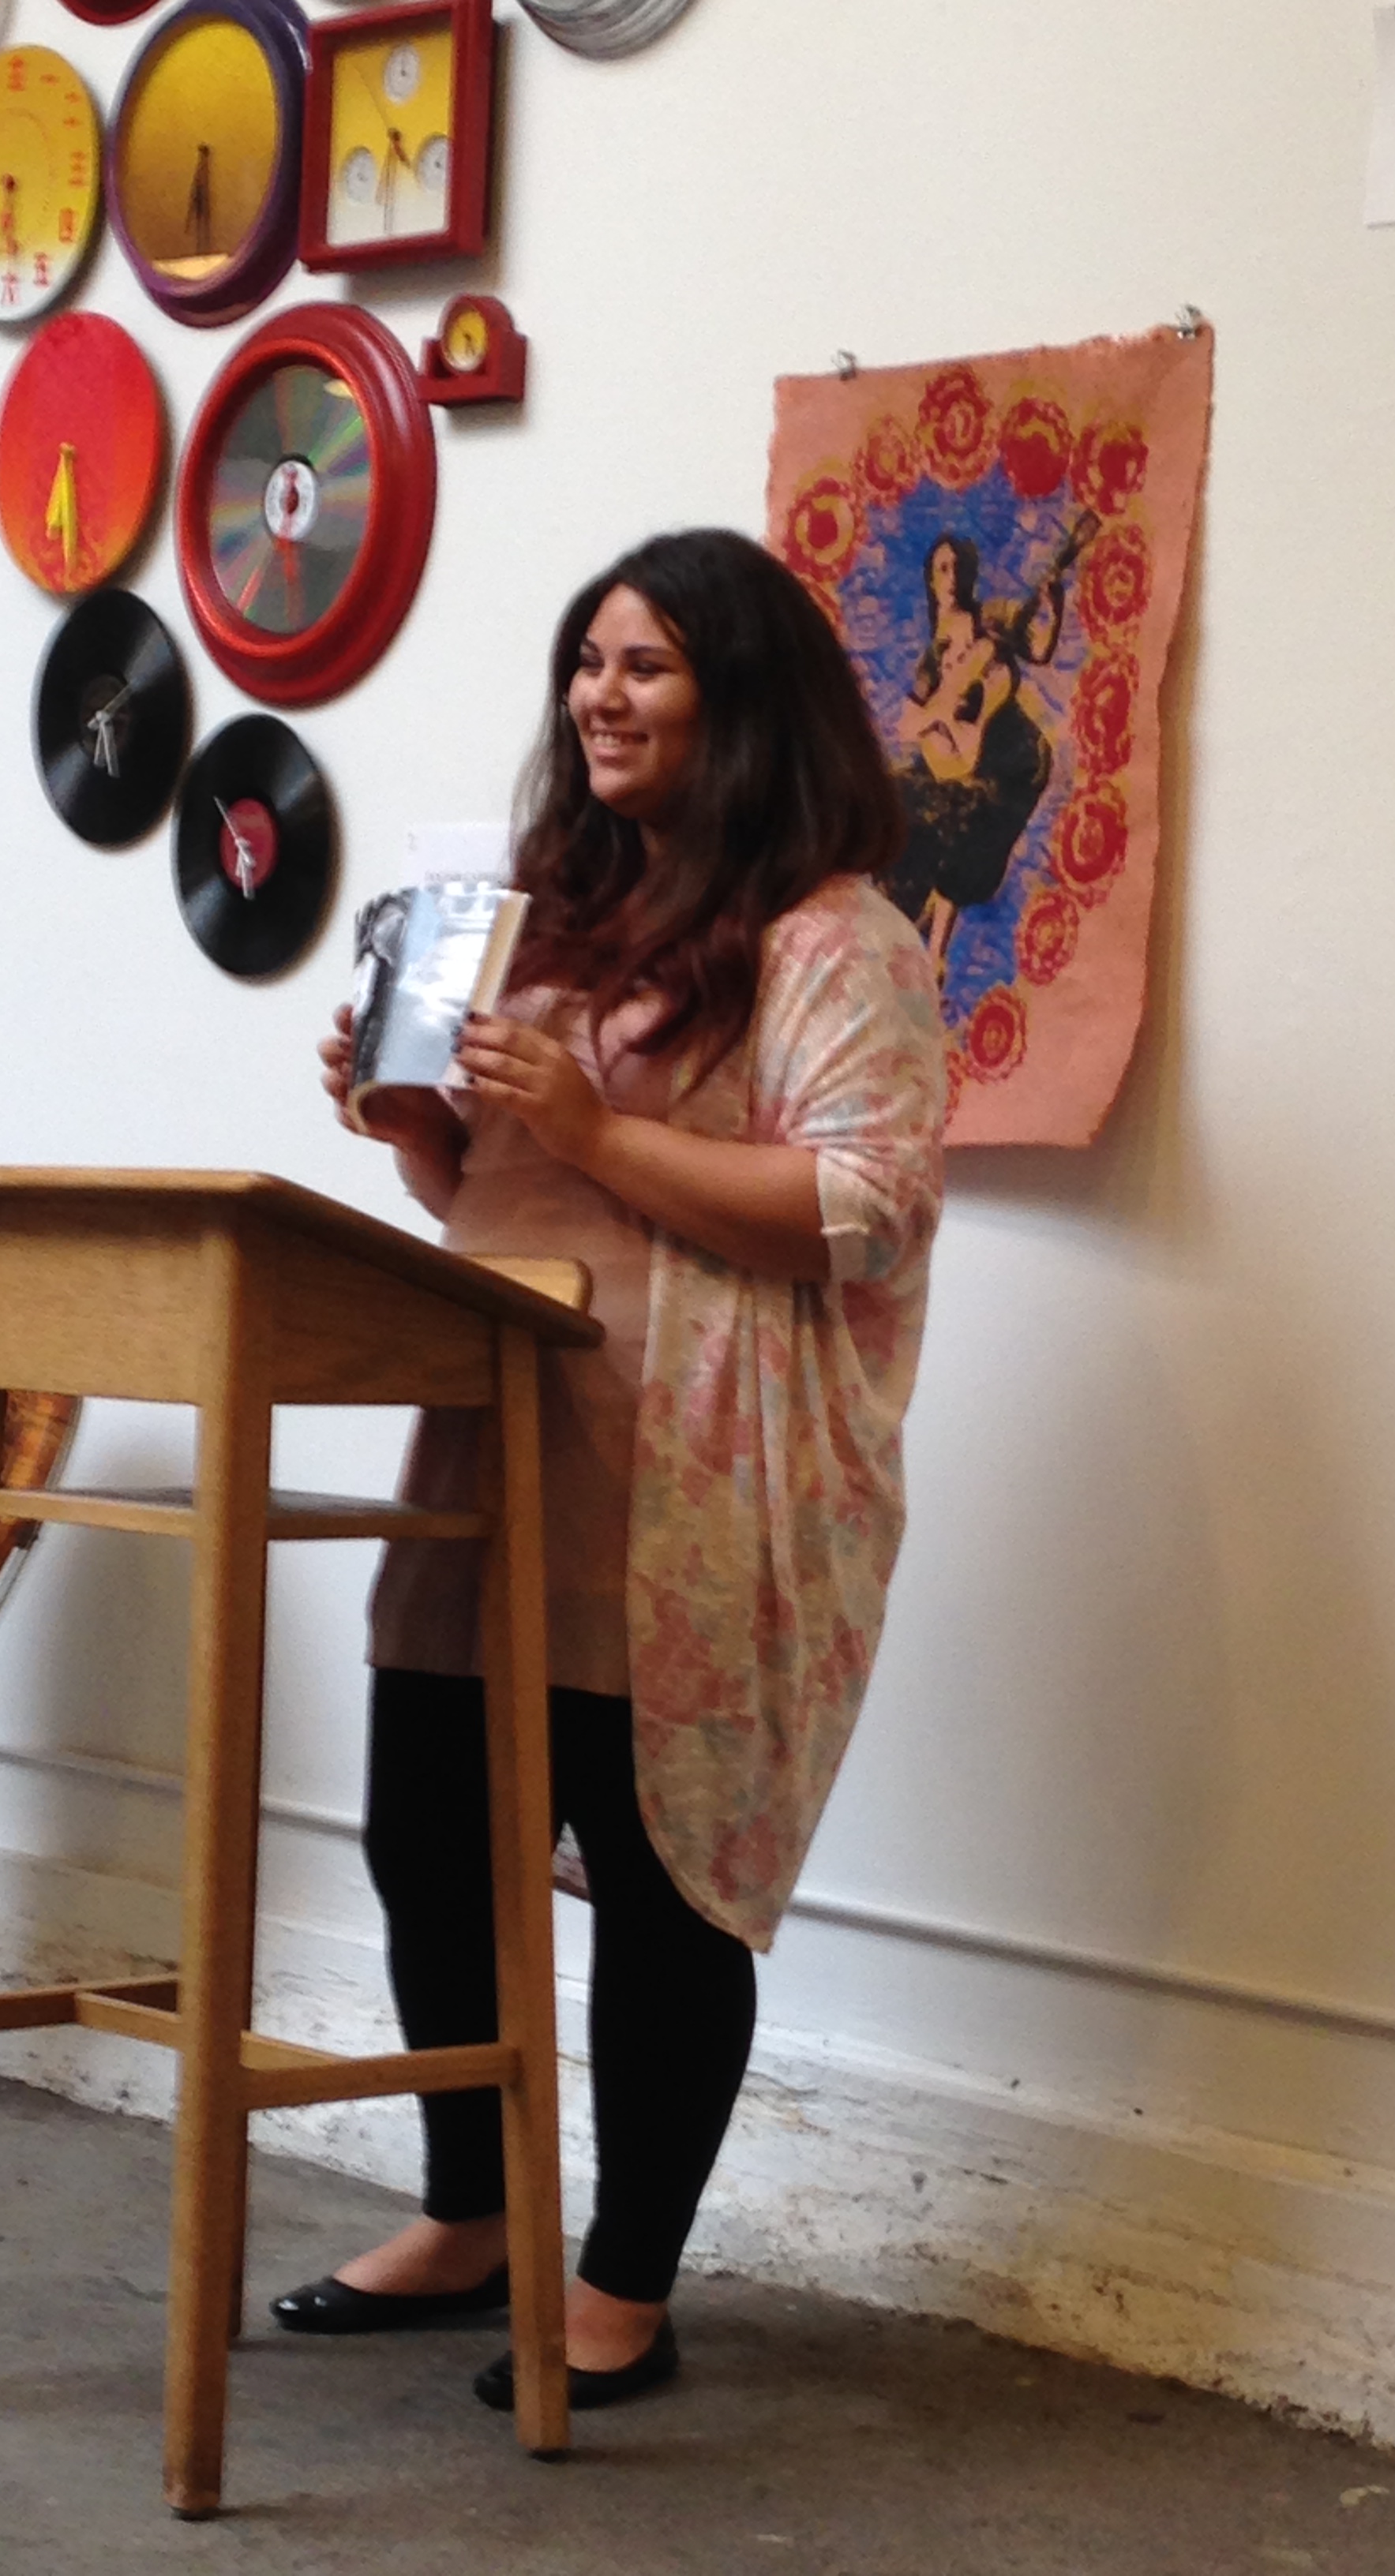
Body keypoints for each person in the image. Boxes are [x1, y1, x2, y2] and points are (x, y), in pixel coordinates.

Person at [288, 527, 946, 2411]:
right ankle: (469, 2215)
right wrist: (414, 1130)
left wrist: (584, 1123)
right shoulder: (546, 921)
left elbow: (862, 1206)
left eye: (644, 665)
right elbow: (504, 1203)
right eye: (587, 661)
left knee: (662, 1881)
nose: (599, 695)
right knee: (426, 1837)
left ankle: (624, 2283)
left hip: (690, 1483)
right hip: (490, 1440)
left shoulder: (834, 936)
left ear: (744, 700)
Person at [886, 527, 1075, 959]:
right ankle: (909, 928)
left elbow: (1039, 650)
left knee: (964, 826)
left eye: (959, 568)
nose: (952, 578)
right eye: (943, 569)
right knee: (905, 807)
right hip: (958, 759)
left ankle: (935, 954)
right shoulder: (933, 653)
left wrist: (1053, 607)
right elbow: (907, 722)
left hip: (1012, 758)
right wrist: (940, 714)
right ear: (931, 579)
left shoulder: (993, 619)